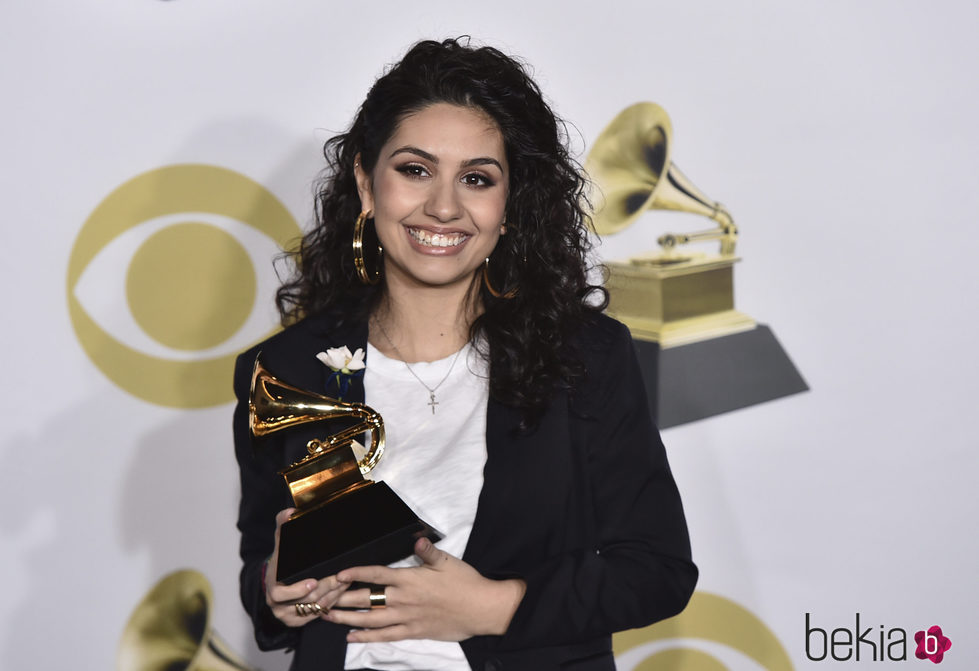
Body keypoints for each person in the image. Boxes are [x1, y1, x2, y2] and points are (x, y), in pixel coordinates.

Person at [233, 37, 697, 671]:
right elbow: (263, 568)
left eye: (477, 178)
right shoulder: (283, 370)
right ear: (367, 184)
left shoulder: (584, 358)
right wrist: (277, 593)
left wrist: (496, 608)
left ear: (508, 208)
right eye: (415, 170)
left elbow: (657, 570)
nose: (444, 206)